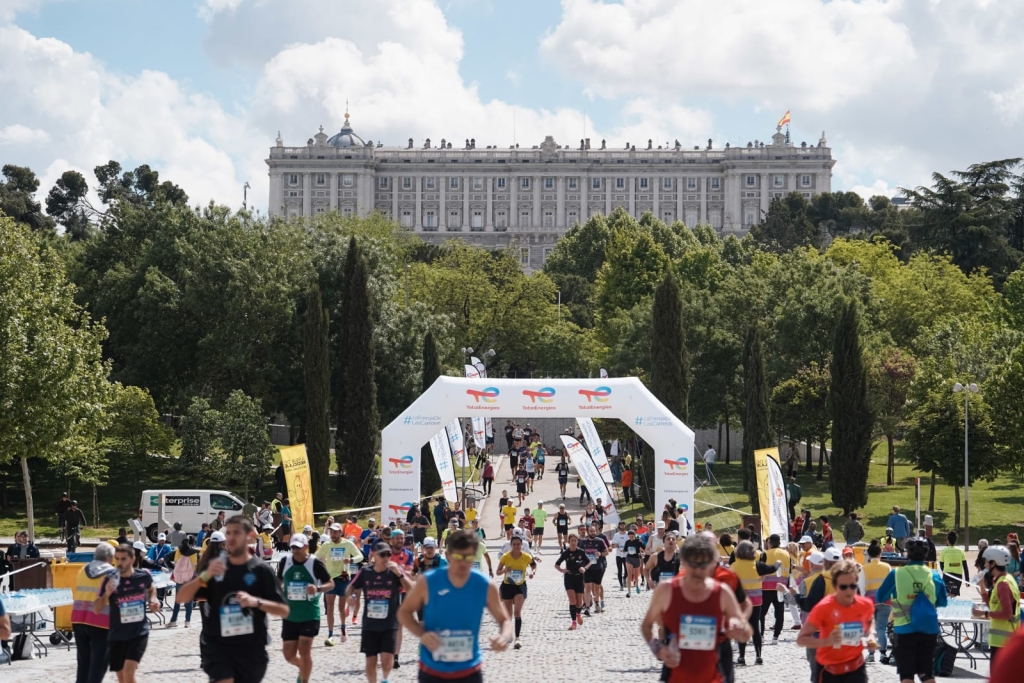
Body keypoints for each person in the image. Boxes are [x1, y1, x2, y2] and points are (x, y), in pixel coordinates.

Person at [175, 515, 289, 683]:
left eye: (236, 533)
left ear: (250, 536)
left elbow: (284, 610)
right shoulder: (215, 568)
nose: (231, 537)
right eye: (228, 533)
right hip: (218, 646)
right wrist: (205, 576)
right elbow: (181, 597)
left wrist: (255, 602)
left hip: (251, 648)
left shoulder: (261, 570)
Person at [398, 529, 513, 682]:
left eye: (469, 557)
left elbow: (505, 620)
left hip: (469, 671)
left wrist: (504, 637)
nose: (463, 563)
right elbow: (404, 612)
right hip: (432, 671)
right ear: (448, 555)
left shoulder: (484, 585)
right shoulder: (428, 582)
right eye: (458, 557)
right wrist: (422, 634)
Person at [641, 533, 750, 683]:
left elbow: (746, 634)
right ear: (683, 561)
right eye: (694, 565)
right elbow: (646, 626)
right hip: (676, 674)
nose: (699, 571)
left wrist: (740, 627)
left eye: (704, 565)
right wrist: (658, 648)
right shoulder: (667, 590)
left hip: (713, 673)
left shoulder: (722, 592)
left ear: (713, 563)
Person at [876, 536, 946, 683]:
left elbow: (880, 596)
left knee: (907, 675)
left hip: (904, 630)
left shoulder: (896, 574)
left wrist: (897, 596)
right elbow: (942, 601)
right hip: (928, 629)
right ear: (926, 554)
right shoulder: (933, 575)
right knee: (926, 673)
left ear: (907, 553)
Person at [796, 559, 877, 683]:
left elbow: (869, 620)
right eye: (843, 587)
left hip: (856, 669)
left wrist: (871, 635)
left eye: (853, 586)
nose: (849, 591)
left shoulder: (864, 605)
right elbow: (801, 639)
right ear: (834, 586)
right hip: (829, 671)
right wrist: (826, 642)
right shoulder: (823, 607)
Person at [347, 540, 413, 683]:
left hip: (389, 624)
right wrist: (350, 597)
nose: (386, 558)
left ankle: (385, 678)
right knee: (370, 662)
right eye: (382, 555)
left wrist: (400, 574)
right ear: (374, 556)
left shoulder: (395, 571)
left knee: (387, 660)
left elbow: (412, 589)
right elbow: (351, 587)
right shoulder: (365, 572)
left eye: (388, 554)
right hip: (370, 624)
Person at [93, 544, 158, 683]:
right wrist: (107, 594)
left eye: (123, 559)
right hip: (117, 634)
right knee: (122, 678)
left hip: (138, 633)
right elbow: (97, 609)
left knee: (129, 673)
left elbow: (151, 587)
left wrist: (153, 600)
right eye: (117, 559)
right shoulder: (110, 579)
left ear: (132, 559)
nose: (119, 563)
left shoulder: (143, 575)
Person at [276, 533, 333, 683]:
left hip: (309, 615)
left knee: (304, 651)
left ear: (306, 547)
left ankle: (304, 679)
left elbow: (330, 584)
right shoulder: (285, 562)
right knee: (288, 655)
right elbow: (279, 582)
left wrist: (318, 588)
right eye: (293, 547)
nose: (295, 550)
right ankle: (304, 668)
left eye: (299, 548)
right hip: (290, 615)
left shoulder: (315, 563)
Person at [72, 542, 115, 683]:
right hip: (101, 622)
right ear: (110, 557)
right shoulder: (112, 574)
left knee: (83, 663)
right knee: (98, 664)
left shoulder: (82, 570)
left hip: (79, 619)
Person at [731, 539, 779, 665]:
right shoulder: (758, 565)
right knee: (755, 629)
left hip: (741, 603)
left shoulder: (734, 566)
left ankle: (741, 657)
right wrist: (778, 563)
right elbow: (772, 568)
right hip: (756, 602)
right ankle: (758, 656)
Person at [315, 522, 364, 646]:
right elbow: (315, 557)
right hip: (330, 580)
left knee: (341, 608)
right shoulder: (326, 545)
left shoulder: (347, 544)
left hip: (343, 578)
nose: (333, 534)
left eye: (335, 532)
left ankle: (343, 627)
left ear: (341, 533)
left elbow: (360, 556)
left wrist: (351, 560)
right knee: (329, 607)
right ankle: (330, 634)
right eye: (331, 532)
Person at [975, 545, 1021, 667]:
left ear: (993, 563)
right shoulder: (1005, 579)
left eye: (985, 561)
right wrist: (982, 586)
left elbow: (1007, 614)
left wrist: (982, 614)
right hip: (1003, 641)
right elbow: (993, 605)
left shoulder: (1003, 584)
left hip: (1003, 642)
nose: (984, 565)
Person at [496, 534, 537, 649]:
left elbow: (534, 566)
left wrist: (532, 572)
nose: (516, 546)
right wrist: (505, 570)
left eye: (518, 544)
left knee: (517, 612)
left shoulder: (526, 556)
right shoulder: (505, 557)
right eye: (514, 544)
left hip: (520, 586)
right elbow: (497, 572)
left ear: (522, 545)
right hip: (507, 586)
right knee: (508, 615)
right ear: (511, 545)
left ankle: (518, 639)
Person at [862, 540, 893, 664]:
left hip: (869, 602)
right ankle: (882, 653)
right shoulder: (887, 567)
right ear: (880, 554)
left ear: (868, 555)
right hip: (885, 601)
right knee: (882, 628)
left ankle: (870, 654)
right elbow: (891, 584)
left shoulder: (864, 568)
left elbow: (861, 587)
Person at [555, 533, 591, 630]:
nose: (573, 543)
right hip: (569, 578)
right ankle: (573, 622)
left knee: (579, 603)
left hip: (579, 578)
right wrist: (562, 570)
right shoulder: (566, 553)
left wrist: (584, 568)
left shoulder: (581, 552)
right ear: (568, 542)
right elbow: (557, 564)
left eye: (575, 541)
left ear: (577, 542)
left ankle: (578, 614)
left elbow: (589, 562)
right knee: (572, 600)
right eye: (572, 541)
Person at [761, 534, 790, 645]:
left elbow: (761, 570)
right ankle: (775, 637)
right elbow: (790, 571)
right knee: (779, 612)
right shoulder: (786, 554)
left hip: (766, 587)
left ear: (770, 543)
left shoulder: (765, 553)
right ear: (779, 542)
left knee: (762, 613)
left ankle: (762, 635)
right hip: (781, 587)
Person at [168, 536, 199, 628]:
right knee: (189, 601)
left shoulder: (178, 550)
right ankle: (187, 622)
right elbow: (195, 566)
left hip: (179, 579)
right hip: (189, 579)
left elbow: (175, 562)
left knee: (177, 600)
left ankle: (174, 620)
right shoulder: (194, 552)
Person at [579, 523, 610, 614]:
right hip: (587, 568)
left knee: (596, 588)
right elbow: (579, 553)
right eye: (591, 531)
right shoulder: (583, 542)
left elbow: (607, 552)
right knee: (587, 588)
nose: (593, 532)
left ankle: (597, 602)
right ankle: (587, 607)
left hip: (597, 568)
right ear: (588, 532)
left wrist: (600, 554)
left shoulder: (600, 541)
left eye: (594, 531)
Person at [938, 531, 969, 597]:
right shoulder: (961, 551)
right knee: (953, 595)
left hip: (947, 575)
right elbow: (965, 566)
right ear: (955, 541)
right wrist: (967, 579)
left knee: (947, 594)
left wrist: (945, 571)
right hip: (958, 576)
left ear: (947, 540)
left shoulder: (944, 551)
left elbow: (941, 565)